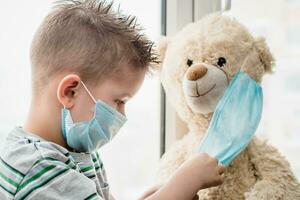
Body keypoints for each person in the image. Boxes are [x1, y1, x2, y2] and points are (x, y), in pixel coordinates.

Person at [0, 1, 225, 199]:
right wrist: (187, 180)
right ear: (70, 92)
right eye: (119, 100)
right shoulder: (39, 169)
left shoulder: (75, 153)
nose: (122, 115)